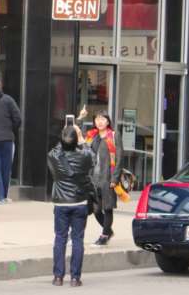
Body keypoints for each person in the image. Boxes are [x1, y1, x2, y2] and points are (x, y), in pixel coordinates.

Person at [46, 125, 95, 287]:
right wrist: (81, 139)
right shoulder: (84, 157)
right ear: (76, 141)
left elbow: (55, 150)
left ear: (61, 140)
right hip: (79, 202)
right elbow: (91, 155)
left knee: (60, 238)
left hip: (61, 202)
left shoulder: (54, 156)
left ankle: (58, 277)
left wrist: (65, 137)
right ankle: (75, 278)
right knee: (77, 239)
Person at [79, 109, 122, 246]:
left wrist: (115, 179)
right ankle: (108, 230)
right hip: (93, 179)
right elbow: (77, 137)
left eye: (103, 119)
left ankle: (104, 235)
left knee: (107, 208)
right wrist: (80, 118)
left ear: (108, 121)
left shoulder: (114, 136)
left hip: (107, 178)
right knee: (96, 209)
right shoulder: (92, 136)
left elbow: (119, 158)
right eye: (97, 119)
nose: (100, 121)